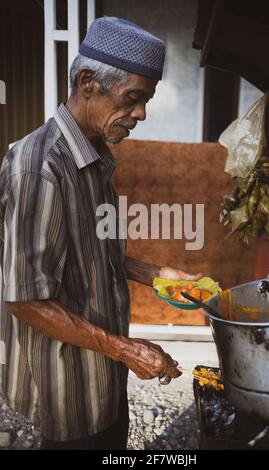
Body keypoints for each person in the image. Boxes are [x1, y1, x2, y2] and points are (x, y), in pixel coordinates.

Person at [0, 17, 201, 450]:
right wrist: (127, 350)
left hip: (104, 378)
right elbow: (25, 298)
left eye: (146, 100)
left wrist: (155, 273)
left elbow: (86, 250)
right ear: (88, 82)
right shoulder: (39, 168)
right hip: (62, 392)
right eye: (133, 99)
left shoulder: (95, 160)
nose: (142, 114)